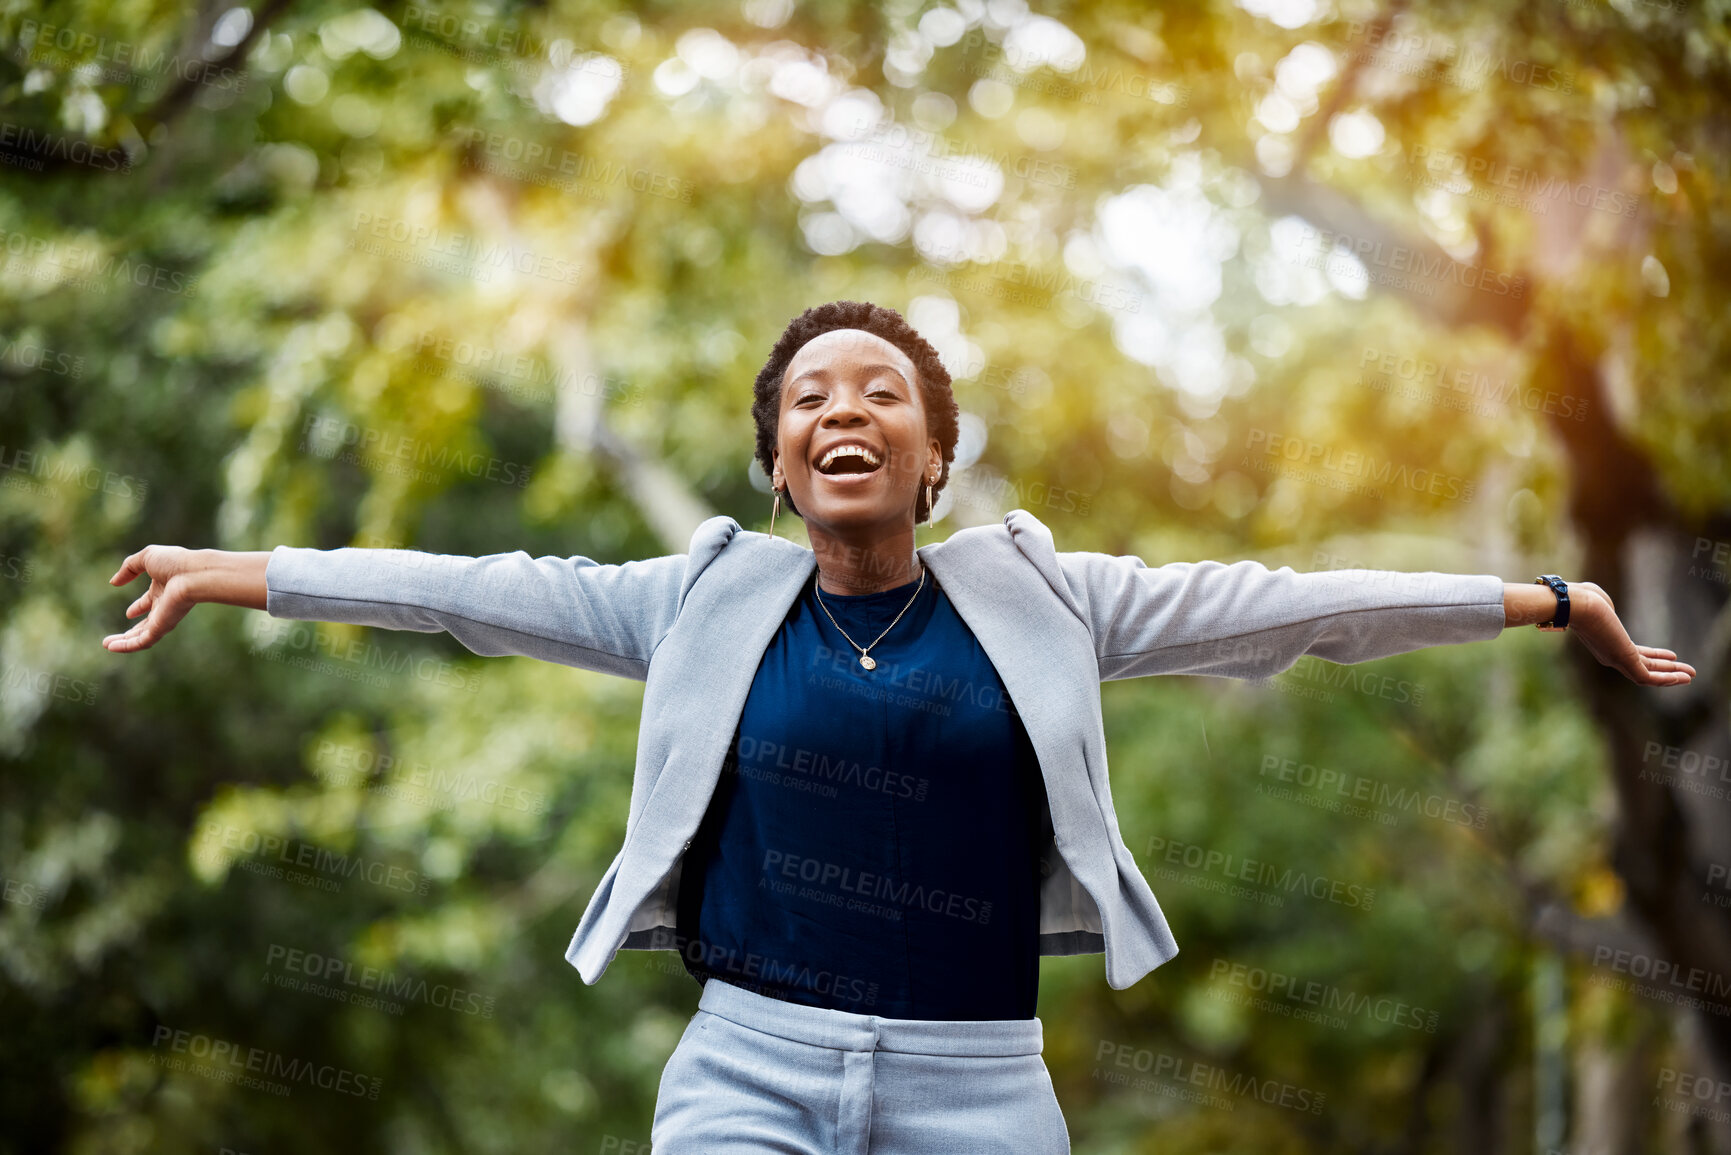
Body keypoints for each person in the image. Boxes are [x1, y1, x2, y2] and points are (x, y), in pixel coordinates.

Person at [101, 299, 1694, 1154]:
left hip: (979, 1086)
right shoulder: (697, 600)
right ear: (778, 469)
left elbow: (1288, 604)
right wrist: (230, 574)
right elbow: (457, 587)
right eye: (807, 400)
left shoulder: (1054, 601)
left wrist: (1547, 598)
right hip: (746, 1073)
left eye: (878, 393)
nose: (841, 409)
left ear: (935, 461)